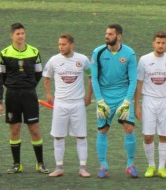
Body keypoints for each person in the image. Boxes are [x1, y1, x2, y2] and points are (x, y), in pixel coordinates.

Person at [90, 24, 138, 179]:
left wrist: (126, 102)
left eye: (110, 34)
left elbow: (133, 80)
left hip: (122, 96)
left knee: (129, 128)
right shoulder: (97, 53)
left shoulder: (129, 53)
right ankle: (103, 165)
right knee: (102, 130)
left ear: (119, 36)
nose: (107, 36)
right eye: (106, 33)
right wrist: (100, 101)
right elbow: (94, 79)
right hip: (105, 97)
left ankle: (130, 165)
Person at [0, 22, 49, 174]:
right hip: (12, 95)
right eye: (18, 34)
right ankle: (16, 164)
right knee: (14, 128)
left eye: (23, 33)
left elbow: (38, 73)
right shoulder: (4, 53)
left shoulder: (34, 52)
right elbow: (1, 77)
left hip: (29, 94)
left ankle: (40, 163)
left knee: (34, 128)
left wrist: (29, 85)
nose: (21, 36)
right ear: (12, 35)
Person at [43, 34, 92, 177]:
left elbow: (91, 77)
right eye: (59, 44)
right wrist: (48, 94)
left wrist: (88, 96)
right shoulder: (54, 60)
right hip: (60, 104)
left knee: (81, 136)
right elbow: (46, 76)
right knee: (58, 136)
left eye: (64, 44)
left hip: (78, 104)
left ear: (71, 45)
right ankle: (59, 168)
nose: (61, 47)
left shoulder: (83, 60)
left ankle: (83, 168)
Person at [135, 31, 166, 179]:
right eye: (158, 42)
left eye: (163, 43)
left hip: (165, 100)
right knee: (148, 135)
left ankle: (162, 167)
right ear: (153, 43)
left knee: (164, 135)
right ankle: (151, 165)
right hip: (149, 101)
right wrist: (137, 105)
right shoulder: (144, 60)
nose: (160, 45)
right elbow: (139, 83)